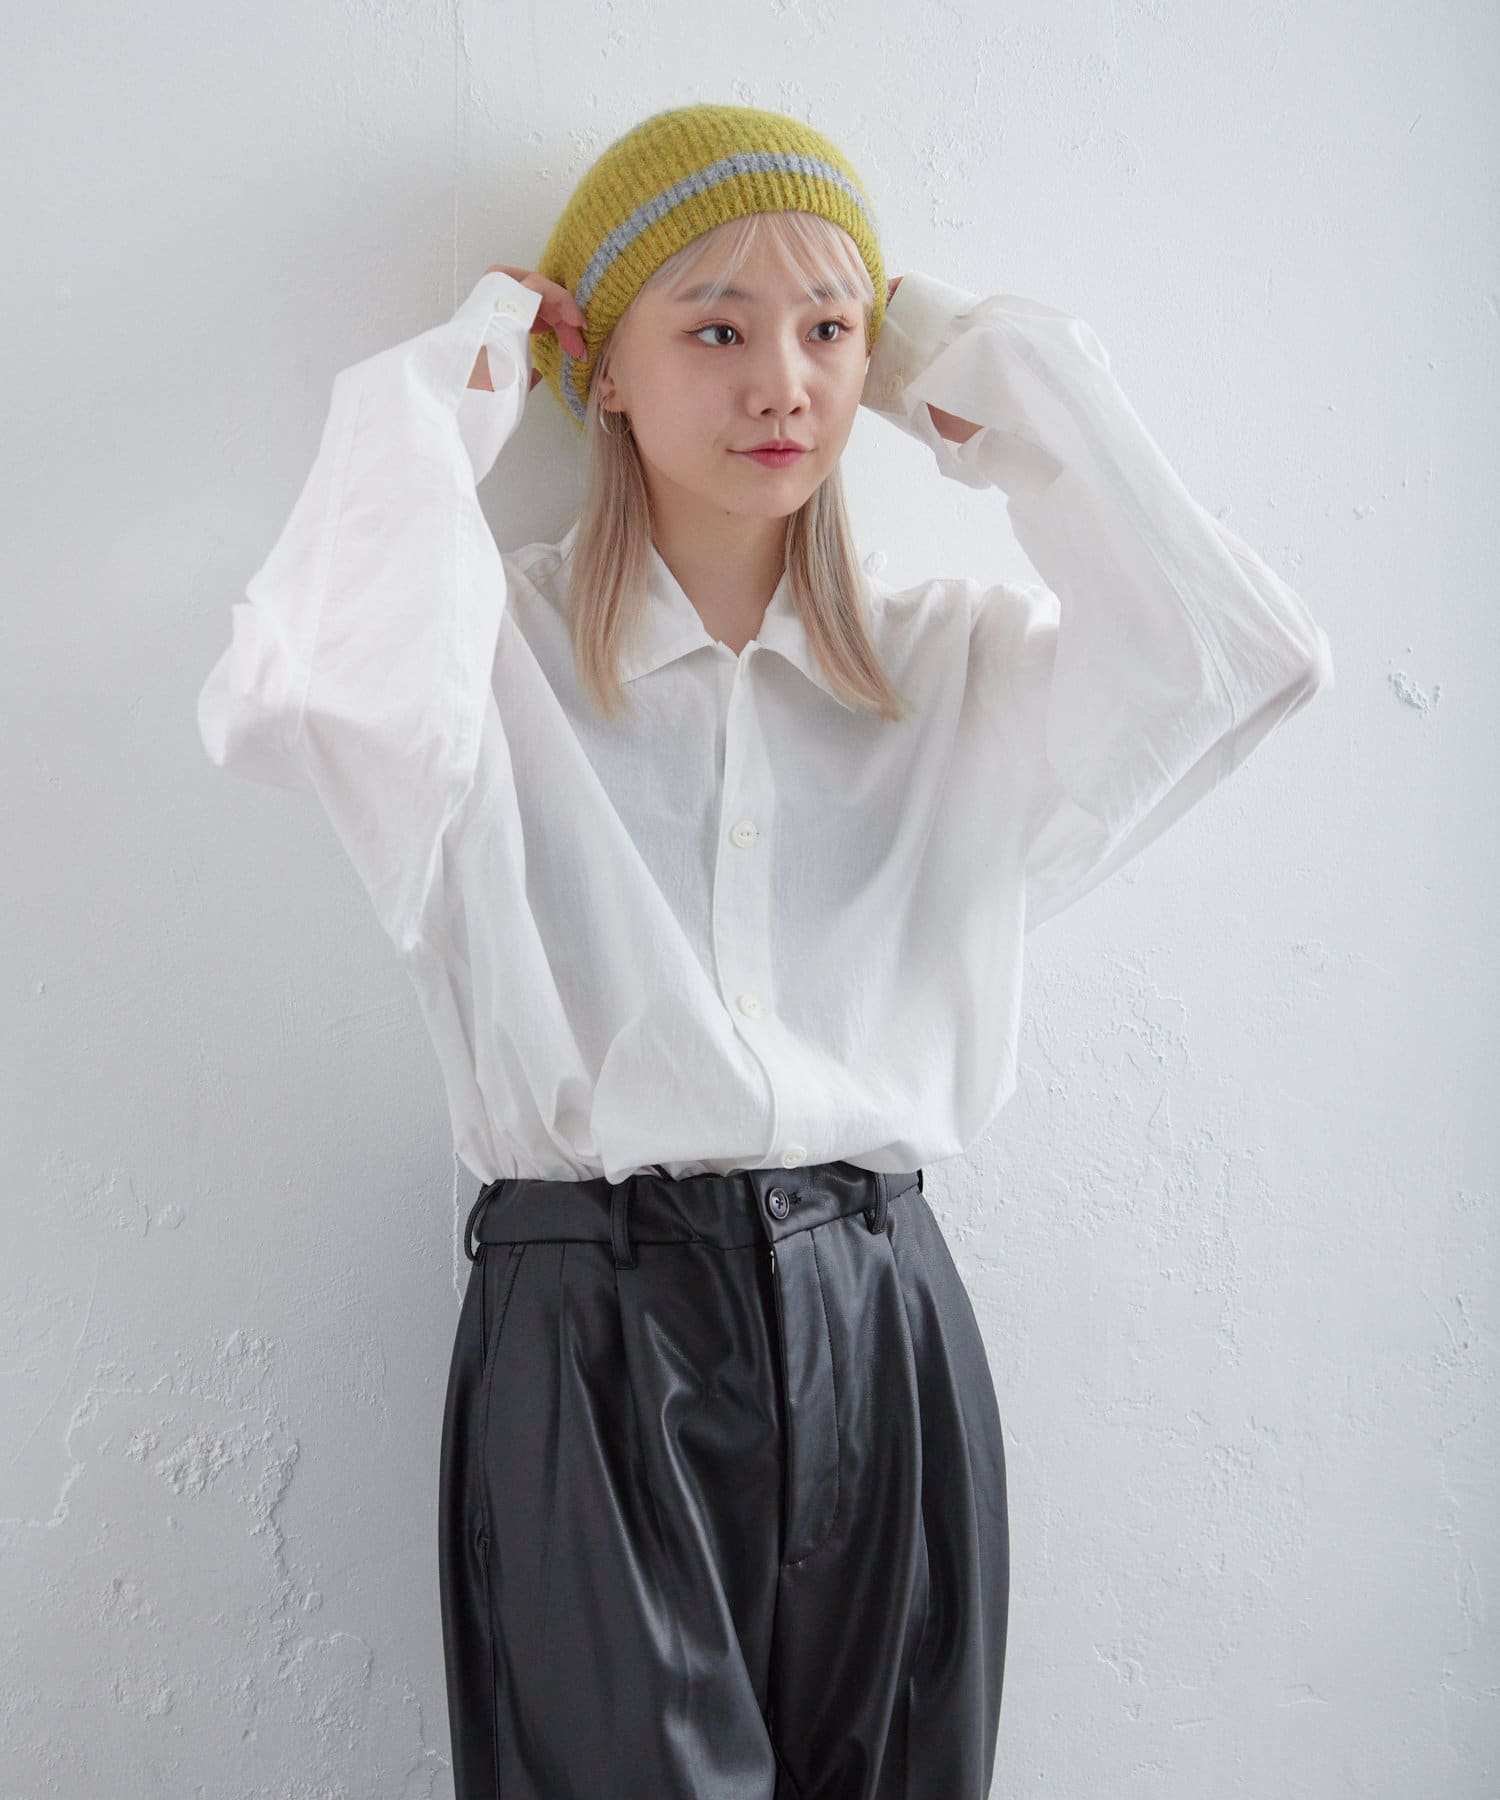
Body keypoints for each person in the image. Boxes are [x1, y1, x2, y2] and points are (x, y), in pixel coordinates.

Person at [196, 101, 1333, 1800]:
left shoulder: (952, 672)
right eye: (716, 330)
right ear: (609, 371)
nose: (783, 383)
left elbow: (1244, 654)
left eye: (828, 331)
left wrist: (975, 371)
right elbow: (291, 692)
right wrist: (462, 382)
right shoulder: (487, 659)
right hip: (596, 1330)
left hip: (883, 1316)